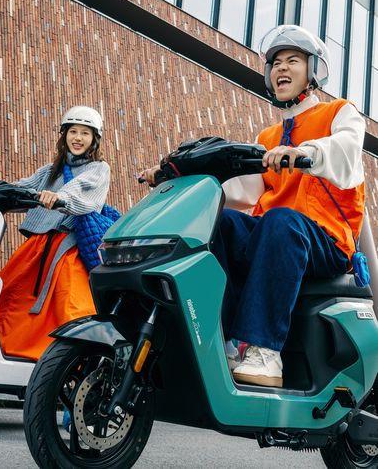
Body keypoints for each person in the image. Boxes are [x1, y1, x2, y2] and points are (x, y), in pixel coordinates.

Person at [140, 25, 365, 388]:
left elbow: (347, 150)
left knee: (280, 221)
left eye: (293, 60)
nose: (282, 68)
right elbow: (242, 189)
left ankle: (262, 350)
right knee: (224, 224)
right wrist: (175, 176)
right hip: (277, 234)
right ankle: (224, 341)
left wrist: (305, 152)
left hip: (327, 240)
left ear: (313, 70)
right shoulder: (268, 138)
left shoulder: (339, 113)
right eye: (276, 63)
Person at [0, 106, 111, 416]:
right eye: (73, 131)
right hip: (37, 250)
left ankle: (78, 404)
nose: (78, 138)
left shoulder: (98, 169)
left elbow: (82, 194)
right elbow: (22, 188)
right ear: (64, 136)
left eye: (85, 133)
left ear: (94, 140)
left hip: (66, 251)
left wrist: (59, 197)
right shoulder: (50, 170)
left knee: (70, 316)